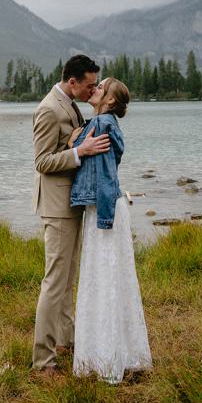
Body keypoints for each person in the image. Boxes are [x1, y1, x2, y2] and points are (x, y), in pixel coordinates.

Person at [32, 54, 111, 377]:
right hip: (57, 208)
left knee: (67, 280)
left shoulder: (69, 103)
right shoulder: (49, 109)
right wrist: (81, 152)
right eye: (89, 85)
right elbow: (42, 162)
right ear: (72, 81)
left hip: (72, 204)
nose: (92, 90)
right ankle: (43, 360)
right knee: (54, 283)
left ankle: (64, 340)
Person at [69, 77, 152, 384]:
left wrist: (103, 218)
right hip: (109, 207)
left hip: (104, 209)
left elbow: (104, 175)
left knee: (101, 279)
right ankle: (120, 350)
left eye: (100, 88)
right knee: (112, 279)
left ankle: (104, 358)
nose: (95, 90)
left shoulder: (101, 124)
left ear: (111, 101)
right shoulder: (103, 122)